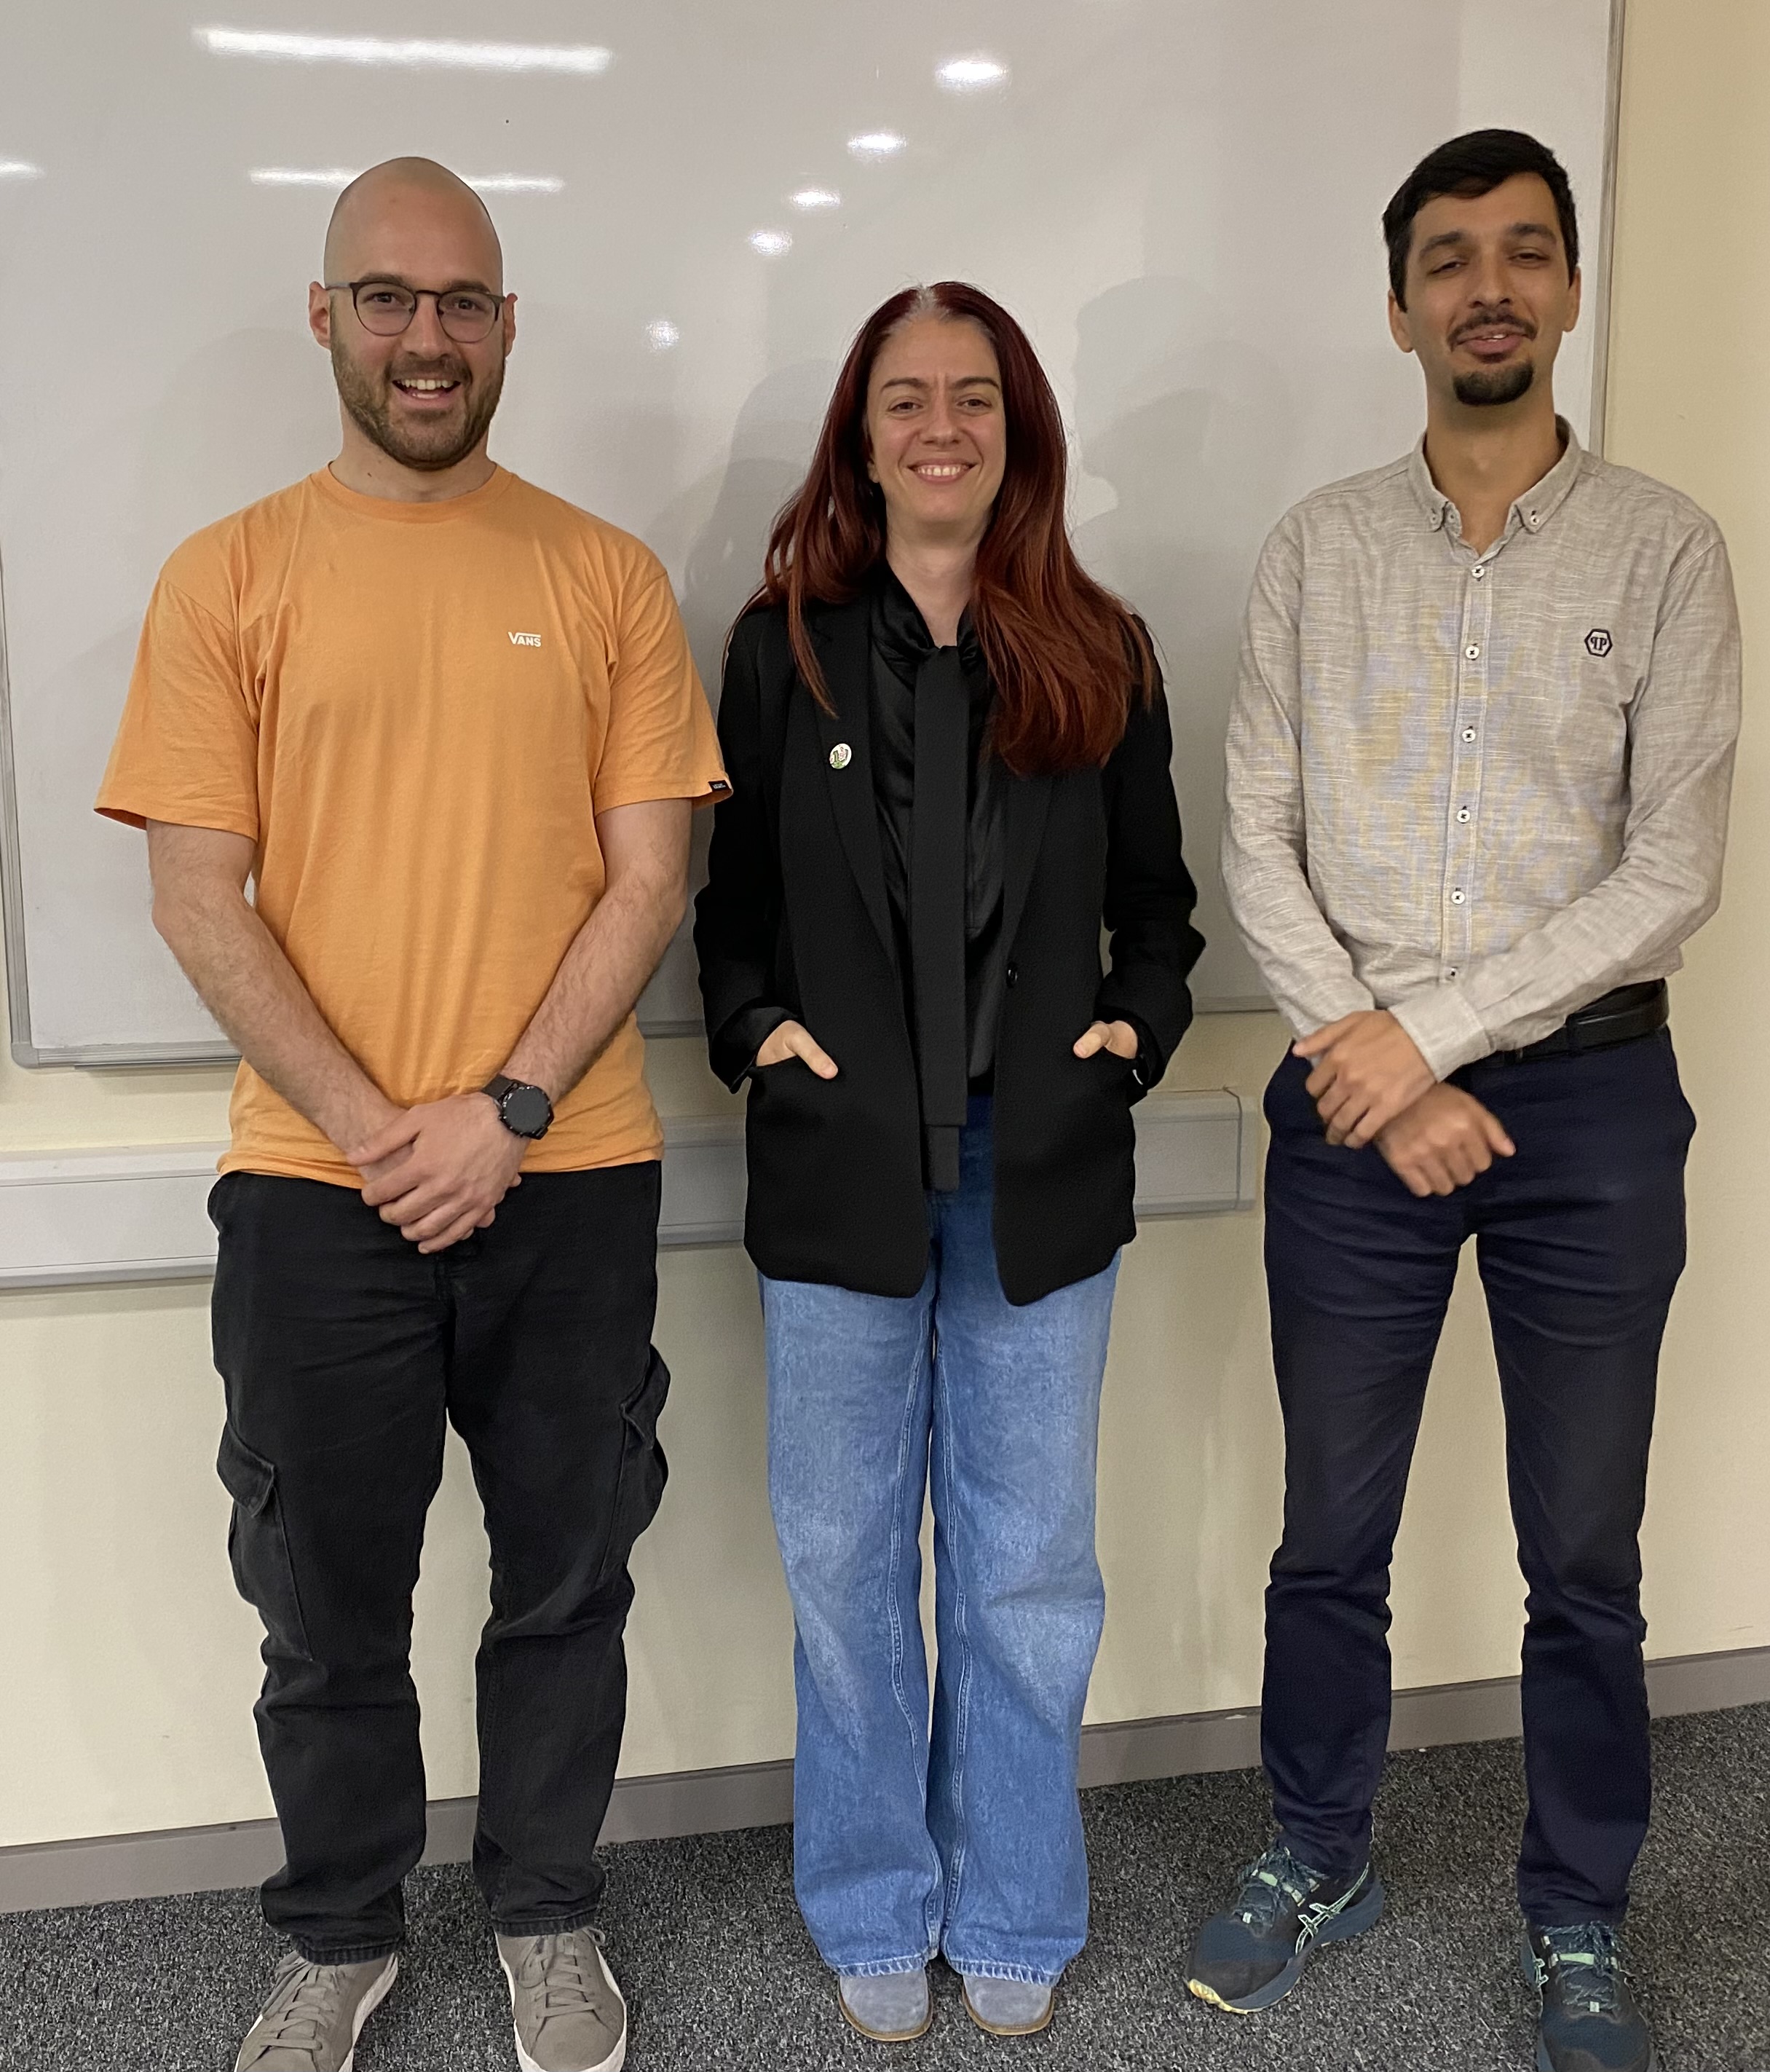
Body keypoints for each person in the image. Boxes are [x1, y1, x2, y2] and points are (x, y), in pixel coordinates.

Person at [95, 159, 727, 2072]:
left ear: (508, 323)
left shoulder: (603, 573)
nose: (426, 336)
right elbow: (200, 888)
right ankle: (338, 1929)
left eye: (462, 302)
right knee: (323, 1593)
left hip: (571, 1169)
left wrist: (507, 1105)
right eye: (388, 298)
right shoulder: (229, 573)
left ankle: (545, 1910)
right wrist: (390, 1123)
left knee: (563, 1578)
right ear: (327, 318)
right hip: (314, 1188)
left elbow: (650, 877)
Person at [1191, 130, 1741, 2072]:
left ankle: (1577, 1902)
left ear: (1571, 290)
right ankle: (1317, 1838)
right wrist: (1376, 1053)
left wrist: (1431, 1037)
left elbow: (1668, 867)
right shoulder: (1319, 548)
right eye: (1448, 258)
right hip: (1353, 1111)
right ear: (1401, 303)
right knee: (1326, 1527)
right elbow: (1256, 837)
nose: (1485, 287)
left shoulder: (1663, 546)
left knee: (1581, 1548)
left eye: (1523, 253)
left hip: (1586, 1116)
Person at [694, 282, 1202, 2041]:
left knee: (1026, 1565)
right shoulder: (787, 647)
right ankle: (868, 1895)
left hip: (1032, 1164)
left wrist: (1134, 1029)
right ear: (860, 432)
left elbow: (1161, 911)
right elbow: (729, 911)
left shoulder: (1098, 645)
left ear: (1018, 429)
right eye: (904, 399)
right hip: (838, 1165)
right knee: (841, 1558)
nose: (939, 429)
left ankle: (1010, 1904)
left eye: (972, 398)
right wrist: (758, 1027)